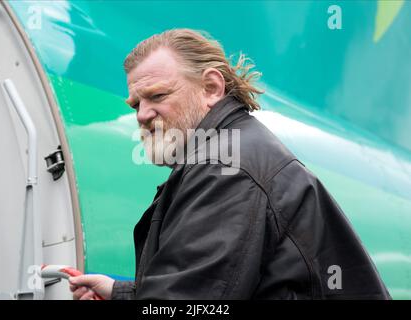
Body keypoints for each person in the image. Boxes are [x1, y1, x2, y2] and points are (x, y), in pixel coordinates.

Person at [69, 29, 391, 300]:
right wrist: (120, 293)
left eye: (157, 95)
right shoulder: (230, 152)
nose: (141, 114)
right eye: (136, 103)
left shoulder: (225, 168)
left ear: (211, 88)